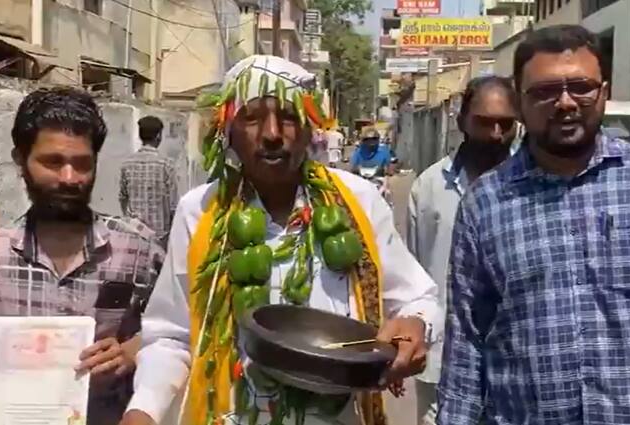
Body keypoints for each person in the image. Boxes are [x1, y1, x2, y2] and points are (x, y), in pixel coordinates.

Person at [121, 55, 440, 425]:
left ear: (309, 128)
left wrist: (415, 324)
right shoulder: (199, 212)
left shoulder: (359, 202)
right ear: (228, 131)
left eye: (288, 116)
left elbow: (417, 298)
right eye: (252, 117)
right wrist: (143, 409)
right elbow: (171, 335)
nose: (272, 133)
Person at [439, 25, 630, 424]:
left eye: (581, 87)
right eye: (545, 91)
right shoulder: (486, 202)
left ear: (603, 91)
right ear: (520, 101)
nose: (565, 103)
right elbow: (466, 343)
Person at [0, 88, 165, 425]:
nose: (69, 178)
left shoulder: (137, 249)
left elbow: (176, 332)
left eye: (82, 164)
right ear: (21, 160)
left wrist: (133, 351)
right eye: (53, 162)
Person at [406, 76, 518, 425]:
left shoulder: (536, 185)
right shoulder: (429, 188)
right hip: (444, 368)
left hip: (518, 366)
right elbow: (415, 275)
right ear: (462, 122)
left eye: (506, 124)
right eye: (485, 123)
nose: (496, 134)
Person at [119, 116, 178, 247]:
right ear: (158, 136)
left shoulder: (127, 164)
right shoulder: (166, 164)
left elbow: (123, 198)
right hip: (160, 236)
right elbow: (173, 205)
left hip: (134, 233)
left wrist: (130, 221)